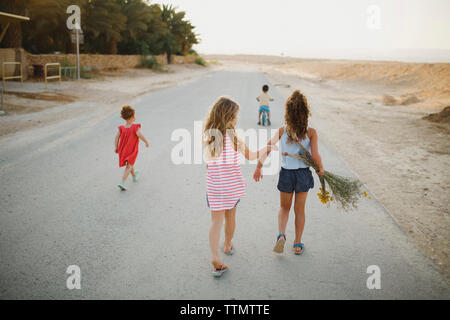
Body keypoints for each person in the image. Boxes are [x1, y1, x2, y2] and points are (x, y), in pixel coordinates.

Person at [204, 96, 275, 277]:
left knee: (216, 221)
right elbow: (251, 156)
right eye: (236, 116)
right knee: (231, 216)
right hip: (231, 186)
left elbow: (208, 163)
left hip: (214, 186)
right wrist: (266, 148)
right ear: (229, 117)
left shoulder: (209, 136)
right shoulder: (235, 138)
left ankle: (214, 256)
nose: (238, 119)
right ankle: (227, 245)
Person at [253, 90, 325, 255]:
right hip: (302, 174)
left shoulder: (282, 130)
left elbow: (268, 148)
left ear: (288, 112)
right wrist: (321, 169)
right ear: (305, 112)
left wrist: (259, 166)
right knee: (299, 211)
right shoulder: (311, 132)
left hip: (286, 173)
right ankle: (297, 244)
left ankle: (281, 234)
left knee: (284, 208)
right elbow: (315, 156)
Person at [115, 105, 149, 191]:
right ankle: (122, 181)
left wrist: (116, 147)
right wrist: (146, 142)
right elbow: (140, 135)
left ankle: (134, 176)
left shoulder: (121, 128)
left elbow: (116, 137)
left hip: (122, 150)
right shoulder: (135, 127)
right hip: (132, 150)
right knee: (129, 165)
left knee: (130, 164)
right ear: (133, 116)